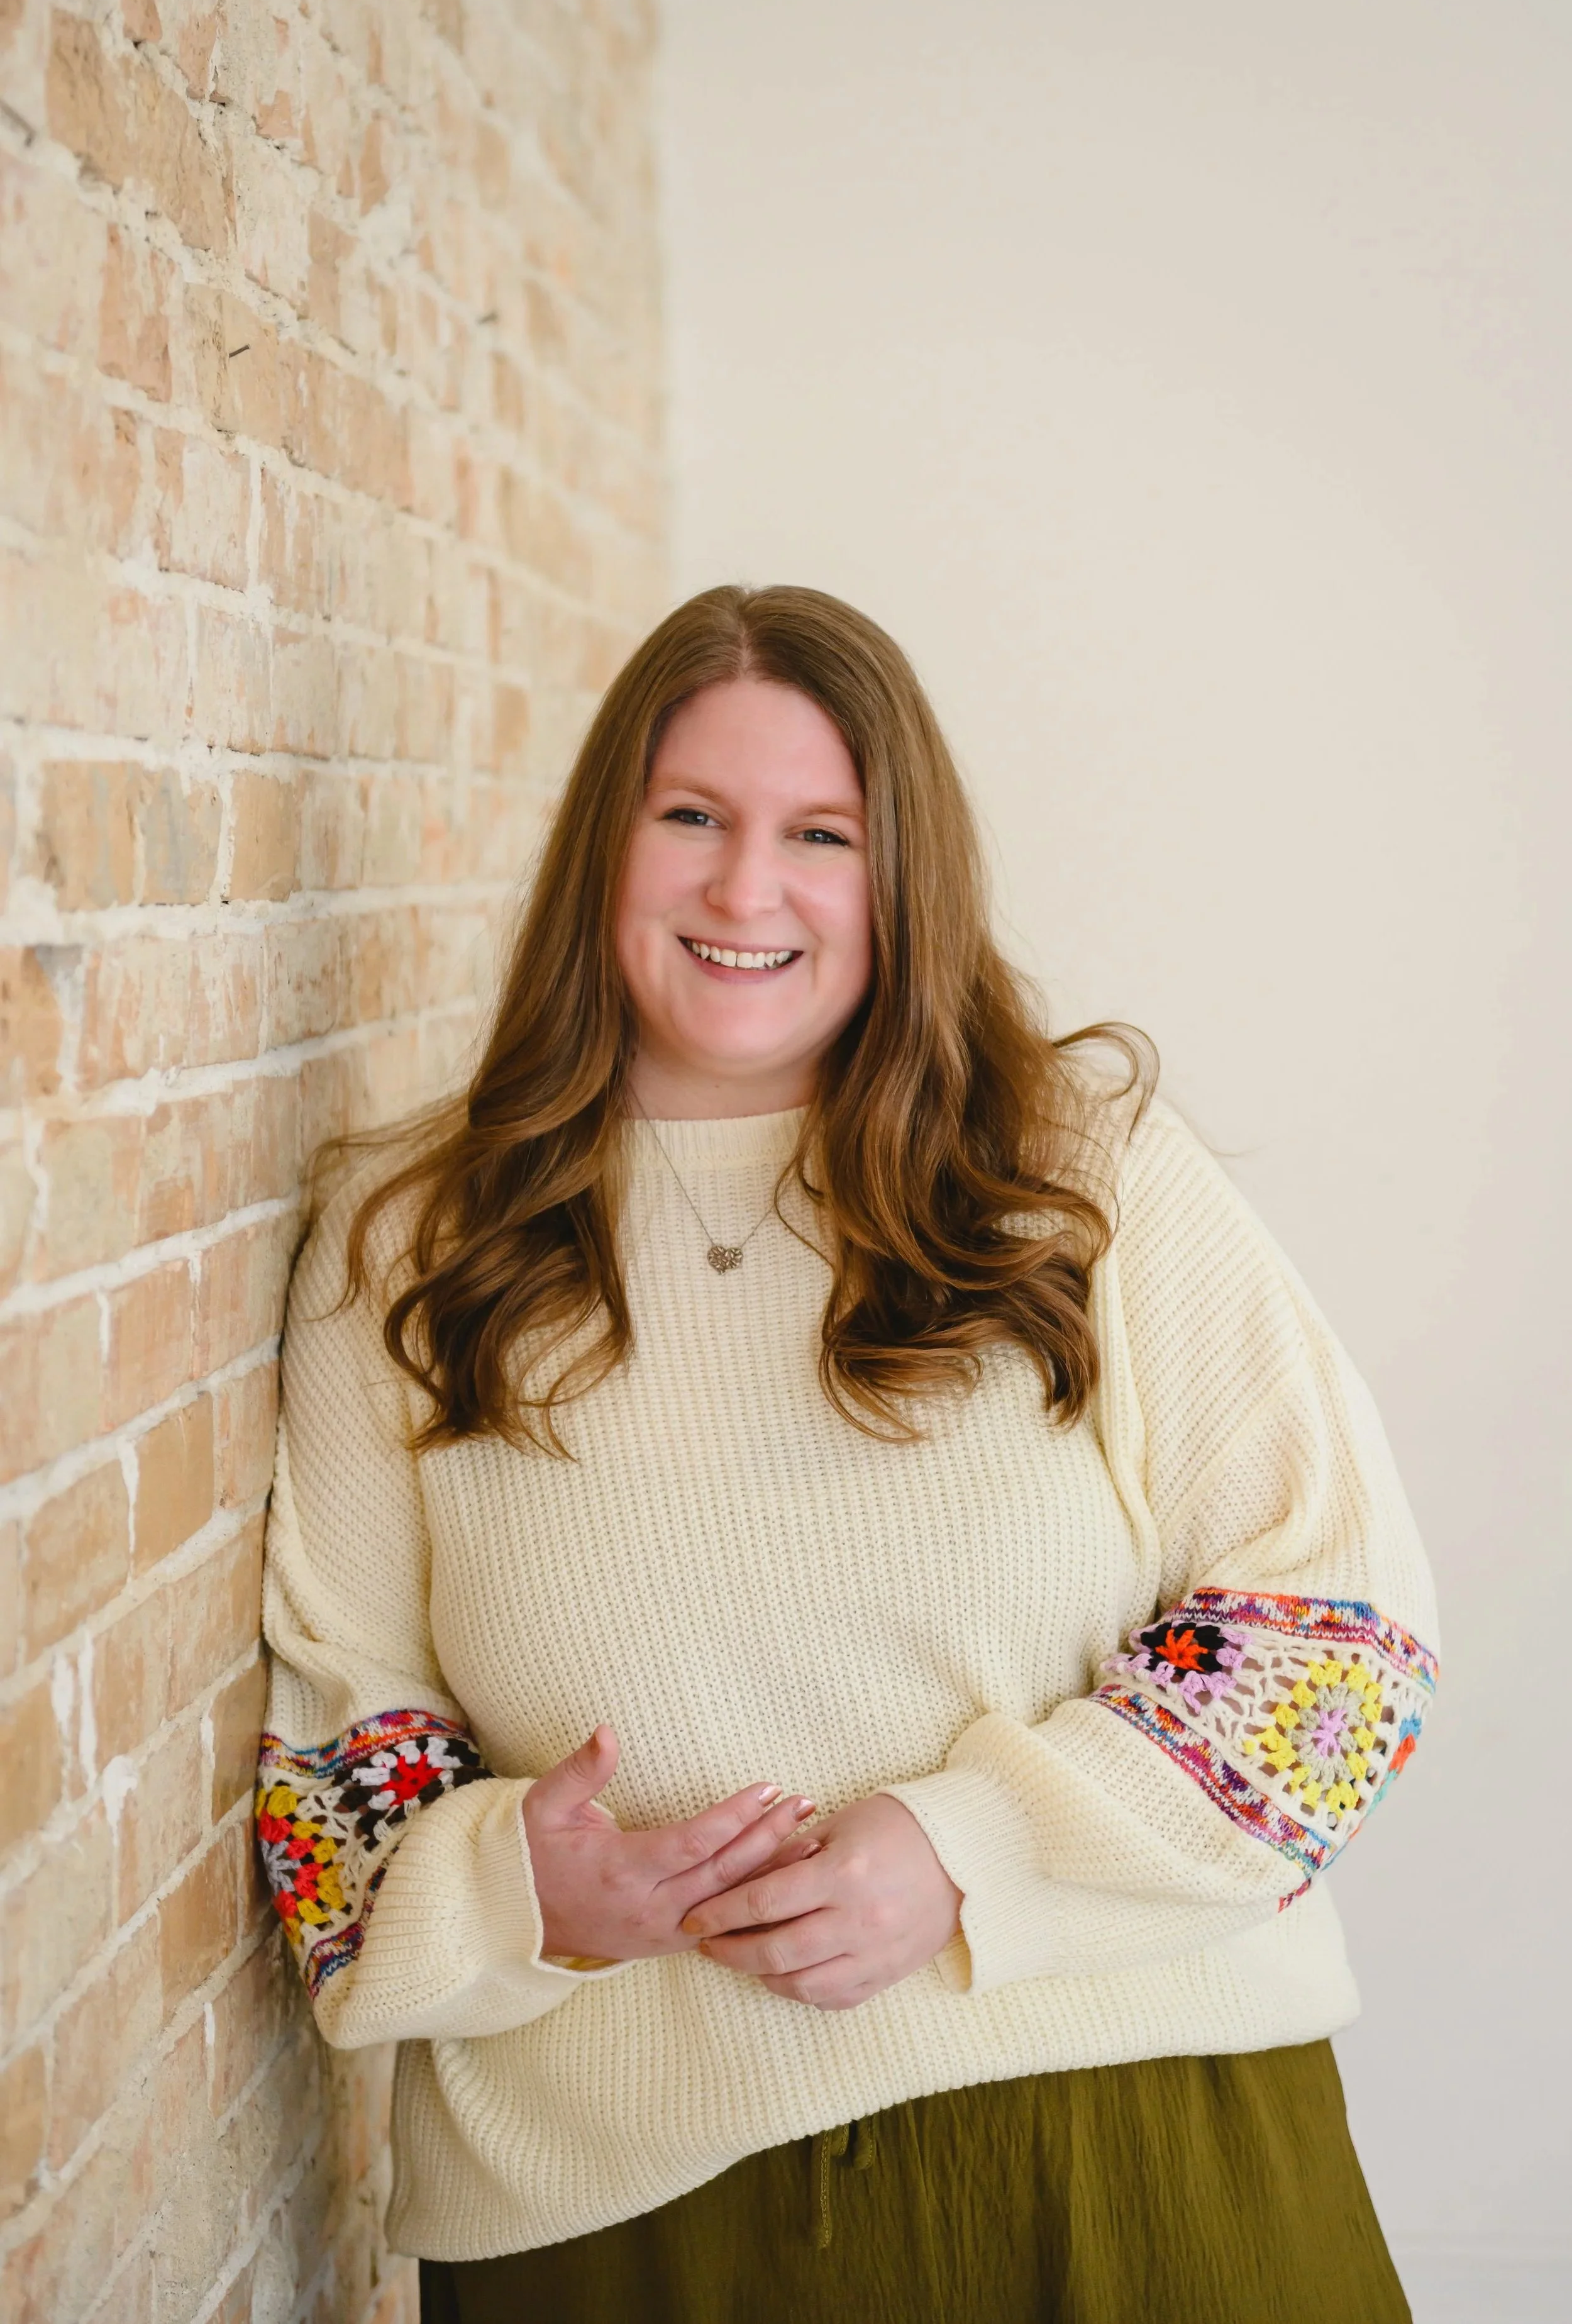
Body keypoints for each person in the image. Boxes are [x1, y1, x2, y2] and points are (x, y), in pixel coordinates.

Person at [255, 584, 1436, 2321]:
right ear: (605, 846)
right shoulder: (405, 1235)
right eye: (691, 819)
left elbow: (1337, 1655)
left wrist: (970, 1852)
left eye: (823, 833)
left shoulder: (1078, 1173)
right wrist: (526, 1891)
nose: (748, 889)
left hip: (1129, 2153)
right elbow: (332, 1765)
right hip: (618, 2225)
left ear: (906, 880)